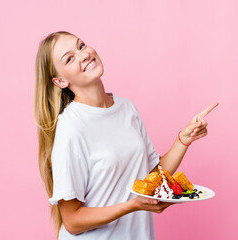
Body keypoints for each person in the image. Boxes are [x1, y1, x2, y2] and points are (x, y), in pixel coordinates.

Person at [34, 31, 218, 240]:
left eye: (82, 46)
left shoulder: (127, 109)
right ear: (60, 82)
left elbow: (152, 175)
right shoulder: (71, 127)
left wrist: (184, 139)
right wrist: (131, 206)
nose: (83, 55)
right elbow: (73, 222)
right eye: (69, 58)